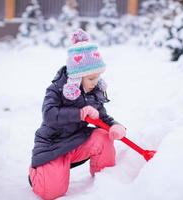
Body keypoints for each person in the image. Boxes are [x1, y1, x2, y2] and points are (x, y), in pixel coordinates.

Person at [28, 29, 126, 200]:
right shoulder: (56, 90)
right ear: (76, 77)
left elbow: (101, 117)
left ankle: (105, 180)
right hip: (53, 145)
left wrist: (115, 126)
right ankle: (38, 174)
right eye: (90, 78)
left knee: (103, 136)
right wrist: (79, 114)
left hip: (77, 141)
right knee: (51, 192)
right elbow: (49, 115)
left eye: (97, 77)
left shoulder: (94, 92)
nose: (95, 82)